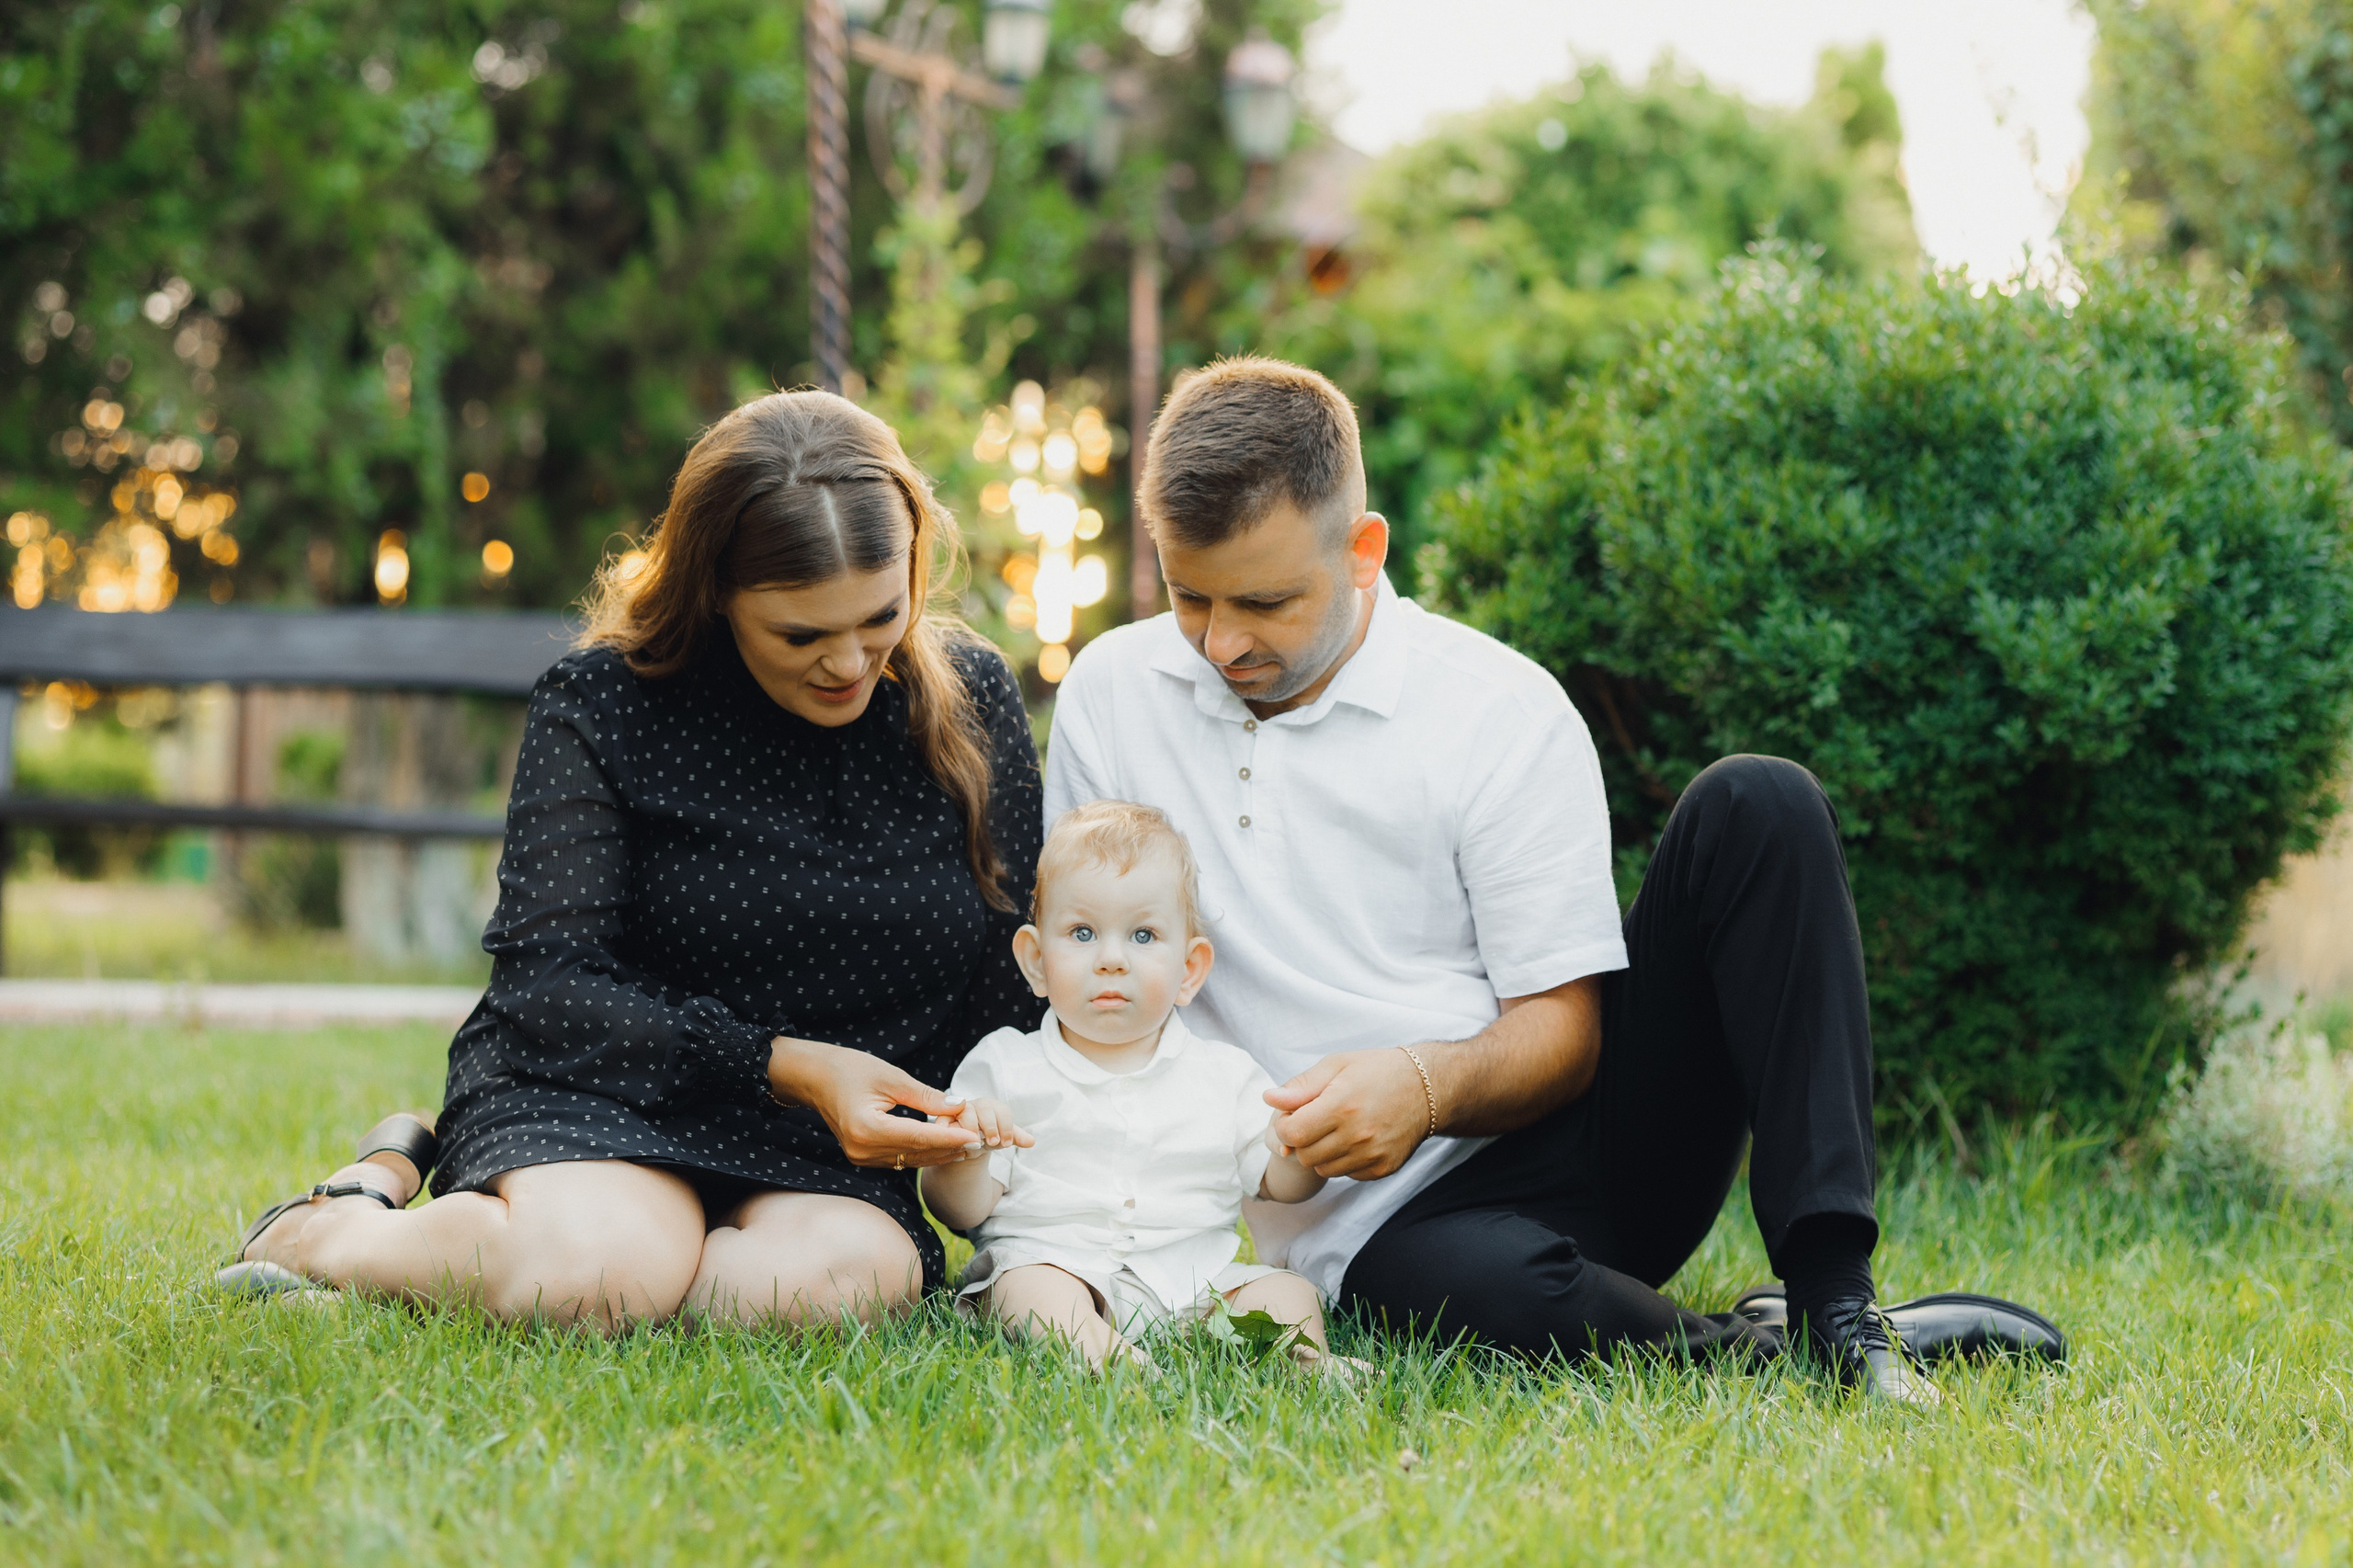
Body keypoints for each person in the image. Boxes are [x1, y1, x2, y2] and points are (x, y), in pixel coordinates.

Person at [1042, 357, 1941, 1401]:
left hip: (1572, 1151)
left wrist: (1422, 1088)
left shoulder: (1498, 710)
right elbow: (1086, 979)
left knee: (1760, 801)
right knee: (1460, 1291)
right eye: (1188, 594)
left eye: (1266, 601)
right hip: (1372, 1234)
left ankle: (1836, 1302)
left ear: (1364, 550)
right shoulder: (1112, 692)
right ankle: (1755, 1342)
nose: (1221, 640)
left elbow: (1564, 1031)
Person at [217, 391, 1040, 1330]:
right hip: (605, 1092)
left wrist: (957, 1120)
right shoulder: (603, 704)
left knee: (817, 1291)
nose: (850, 661)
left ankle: (503, 1225)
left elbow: (1006, 961)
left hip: (831, 1148)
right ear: (716, 589)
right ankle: (333, 1226)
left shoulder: (970, 701)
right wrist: (790, 1064)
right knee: (600, 1274)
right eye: (801, 635)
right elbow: (548, 984)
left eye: (879, 615)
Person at [921, 800, 1359, 1377]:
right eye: (1082, 932)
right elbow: (959, 1206)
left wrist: (1303, 1142)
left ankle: (1305, 1365)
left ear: (1189, 970)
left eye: (1144, 935)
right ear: (1035, 961)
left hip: (1193, 1284)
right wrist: (967, 1150)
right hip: (1054, 1268)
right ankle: (1106, 1358)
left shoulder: (1225, 1075)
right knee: (1030, 1292)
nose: (1110, 959)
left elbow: (1280, 1182)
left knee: (1284, 1294)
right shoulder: (1004, 1065)